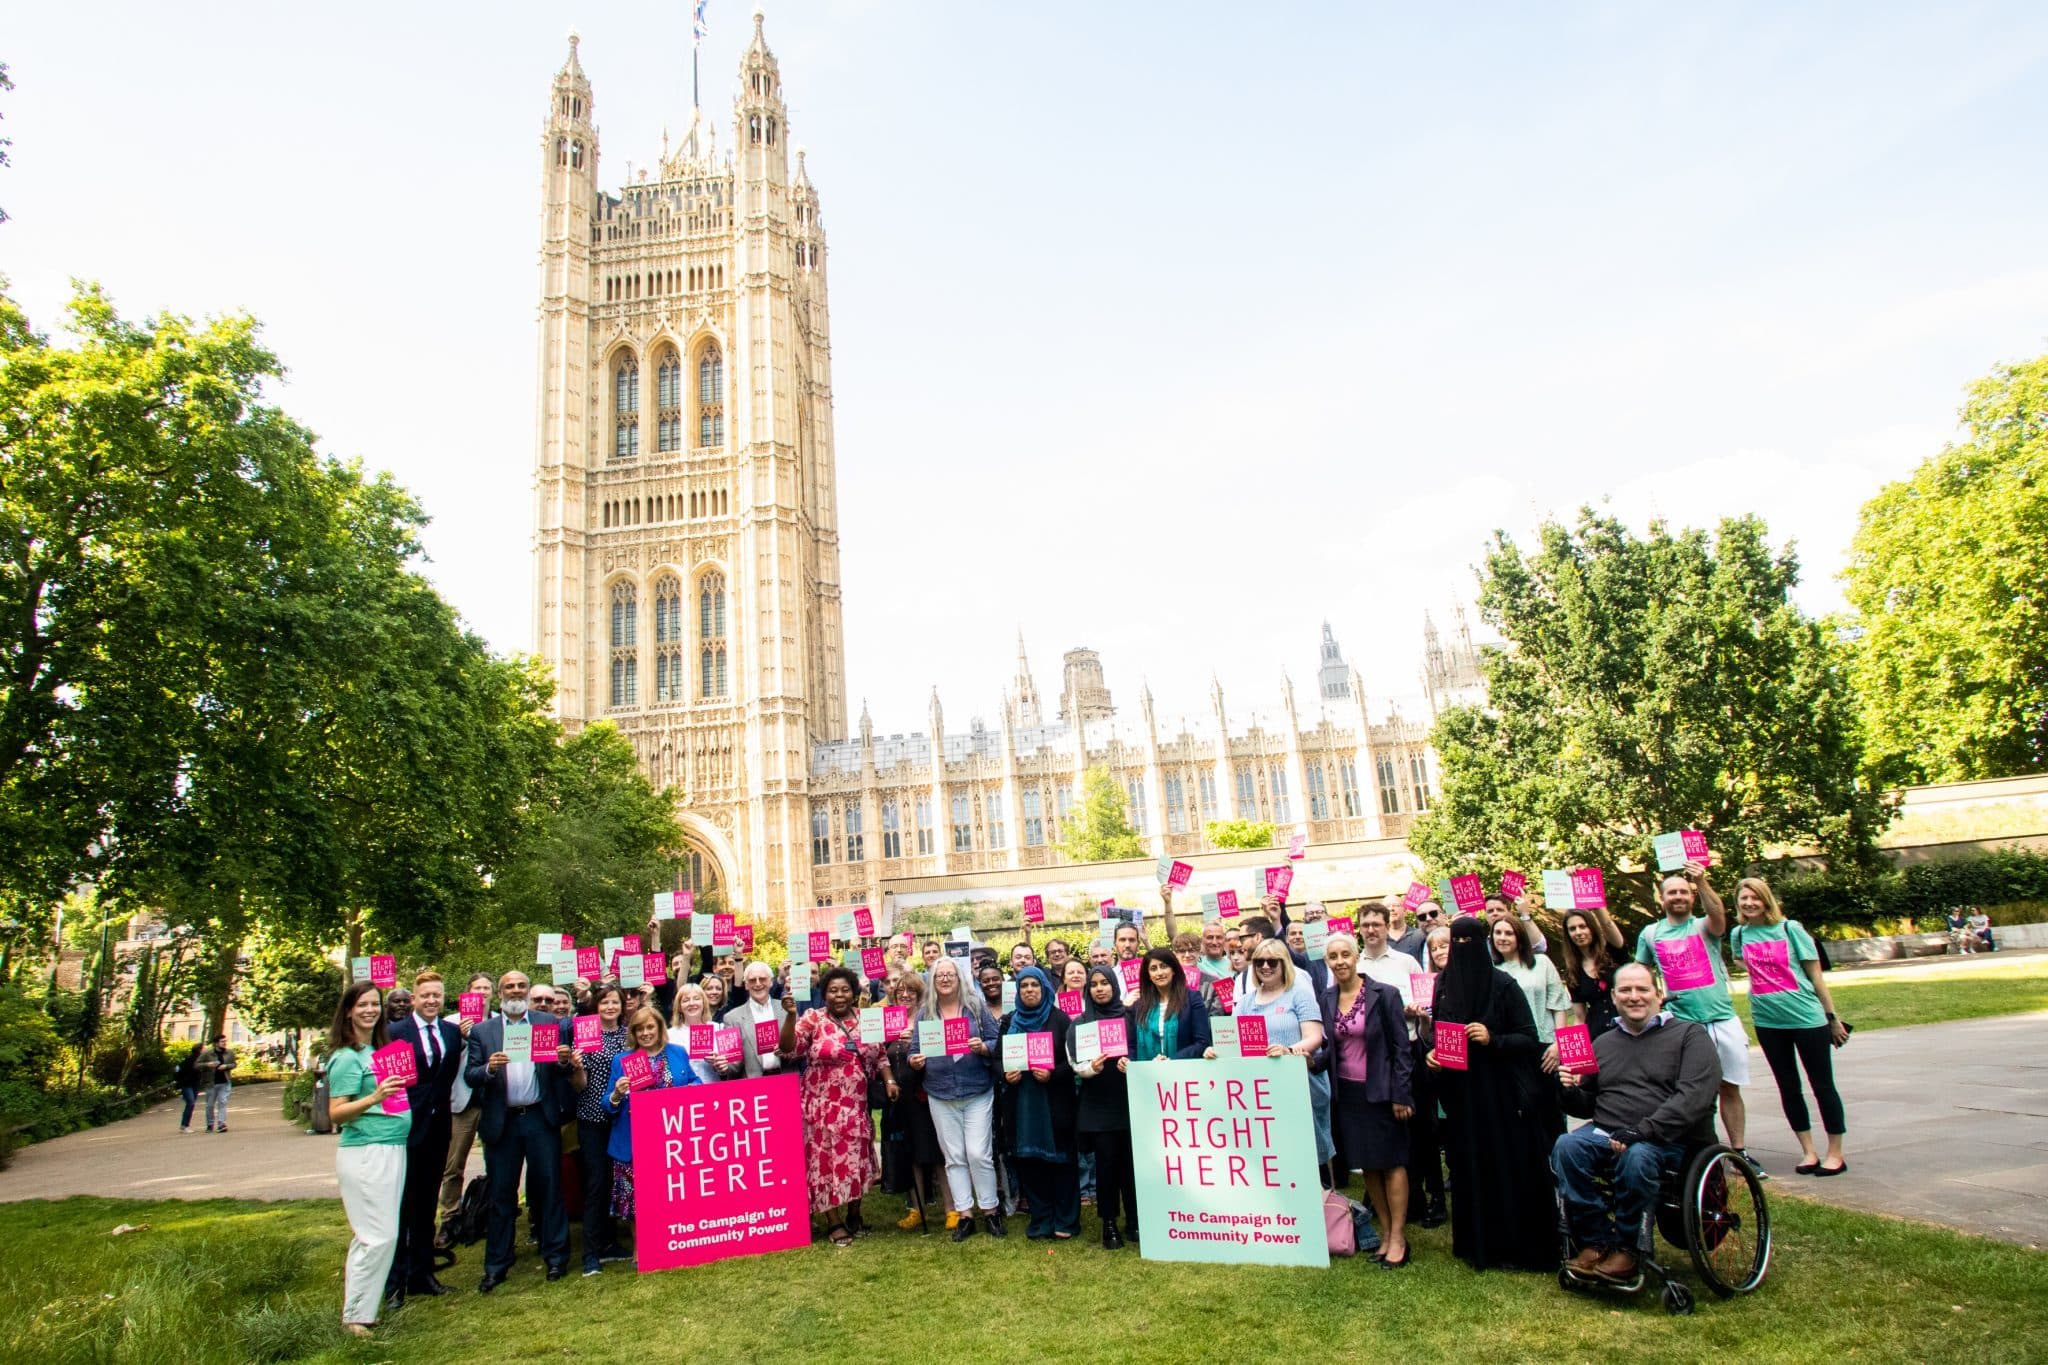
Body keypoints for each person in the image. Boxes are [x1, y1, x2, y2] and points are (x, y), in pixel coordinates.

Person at [1553, 963, 1721, 1281]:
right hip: (1608, 1132)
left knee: (1637, 1155)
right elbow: (1588, 1103)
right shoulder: (1603, 1043)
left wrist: (1641, 1131)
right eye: (1626, 991)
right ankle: (1596, 1241)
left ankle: (1629, 1248)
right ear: (1614, 998)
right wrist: (1569, 1090)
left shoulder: (1689, 1036)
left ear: (1658, 994)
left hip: (1667, 1140)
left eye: (1642, 989)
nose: (1634, 997)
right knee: (1566, 1146)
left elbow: (1693, 1098)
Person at [1427, 916, 1555, 1272]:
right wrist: (1433, 1054)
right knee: (1469, 1167)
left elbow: (1529, 1037)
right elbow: (1440, 1030)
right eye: (1458, 941)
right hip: (1461, 1095)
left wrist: (1492, 1038)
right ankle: (1476, 1244)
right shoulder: (1443, 985)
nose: (1463, 948)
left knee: (1507, 1166)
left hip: (1501, 1095)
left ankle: (1514, 1247)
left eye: (1471, 941)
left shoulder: (1503, 984)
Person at [1633, 862, 1752, 1164]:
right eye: (1672, 892)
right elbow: (1641, 972)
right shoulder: (1650, 934)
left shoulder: (1703, 926)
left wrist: (1702, 880)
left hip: (1721, 1019)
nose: (1678, 896)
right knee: (1690, 1092)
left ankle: (1739, 1152)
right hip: (1683, 1026)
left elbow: (1719, 917)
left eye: (1684, 892)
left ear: (1692, 895)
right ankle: (1700, 1151)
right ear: (1661, 899)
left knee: (1729, 1086)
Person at [1730, 878, 1850, 1176]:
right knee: (1788, 1087)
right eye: (1744, 899)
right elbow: (1738, 959)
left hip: (1806, 1018)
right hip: (1768, 1021)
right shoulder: (1739, 934)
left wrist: (1831, 1018)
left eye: (1755, 898)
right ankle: (1808, 1150)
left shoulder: (1790, 929)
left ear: (1766, 900)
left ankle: (1835, 1153)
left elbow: (1816, 976)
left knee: (1822, 1086)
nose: (1749, 903)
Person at [463, 970, 574, 1290]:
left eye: (521, 986)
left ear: (528, 992)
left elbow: (558, 1070)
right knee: (501, 1193)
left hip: (539, 1117)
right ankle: (497, 1263)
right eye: (509, 987)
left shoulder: (547, 1024)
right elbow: (470, 1075)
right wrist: (489, 1069)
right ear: (500, 993)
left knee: (550, 1188)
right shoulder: (483, 1032)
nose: (515, 991)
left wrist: (563, 1060)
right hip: (503, 1121)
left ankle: (556, 1257)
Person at [325, 982, 409, 1337]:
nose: (371, 1010)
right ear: (348, 1011)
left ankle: (364, 1310)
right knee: (376, 1236)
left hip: (392, 1146)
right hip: (367, 1151)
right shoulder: (346, 1057)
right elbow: (336, 1113)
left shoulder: (379, 1050)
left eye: (375, 1004)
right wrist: (375, 1096)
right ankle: (355, 1316)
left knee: (384, 1234)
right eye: (362, 1005)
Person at [1325, 932, 1414, 1267]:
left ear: (1356, 955)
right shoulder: (1327, 997)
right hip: (1348, 1094)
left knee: (1392, 1162)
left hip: (1383, 1092)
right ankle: (1387, 1231)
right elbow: (1329, 1050)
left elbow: (1401, 1050)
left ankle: (1399, 1237)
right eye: (1333, 956)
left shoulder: (1384, 994)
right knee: (1369, 1165)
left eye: (1345, 954)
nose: (1340, 961)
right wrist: (1305, 1059)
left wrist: (1401, 1094)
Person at [780, 965, 885, 1247]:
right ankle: (833, 1221)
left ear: (854, 992)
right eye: (832, 991)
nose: (839, 996)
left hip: (856, 1106)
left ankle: (855, 1214)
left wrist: (889, 1080)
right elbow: (789, 1047)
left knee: (856, 1161)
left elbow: (881, 1054)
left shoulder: (867, 1019)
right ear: (824, 994)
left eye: (844, 990)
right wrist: (791, 1017)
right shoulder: (812, 1018)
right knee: (825, 1166)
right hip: (821, 1108)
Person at [384, 970, 463, 1303]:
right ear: (414, 999)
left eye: (437, 995)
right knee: (400, 1205)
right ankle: (394, 1281)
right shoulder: (394, 1033)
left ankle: (422, 1272)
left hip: (438, 1128)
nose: (432, 1000)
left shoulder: (451, 1032)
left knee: (427, 1203)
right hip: (405, 1127)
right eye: (426, 995)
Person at [912, 956, 1004, 1240]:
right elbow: (914, 1048)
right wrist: (915, 1060)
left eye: (950, 974)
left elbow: (996, 1039)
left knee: (978, 1153)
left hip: (976, 1088)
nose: (945, 979)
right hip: (940, 1091)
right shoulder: (925, 1015)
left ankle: (990, 1210)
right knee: (954, 1157)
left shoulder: (975, 1007)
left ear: (959, 977)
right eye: (939, 975)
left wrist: (984, 1047)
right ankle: (965, 1214)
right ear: (933, 980)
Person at [1229, 941, 1333, 1173]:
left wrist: (1289, 1051)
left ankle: (1323, 1201)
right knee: (1273, 1152)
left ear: (1284, 963)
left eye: (1272, 961)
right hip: (1260, 1091)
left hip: (1300, 1083)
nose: (1265, 966)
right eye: (1259, 962)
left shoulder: (1299, 994)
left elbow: (1314, 1036)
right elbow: (1233, 1042)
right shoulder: (1246, 1001)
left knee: (1309, 1151)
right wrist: (1218, 1050)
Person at [601, 1005, 701, 1236]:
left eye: (650, 1027)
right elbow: (607, 1104)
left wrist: (685, 1091)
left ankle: (678, 1236)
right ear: (633, 1034)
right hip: (635, 1140)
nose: (645, 1033)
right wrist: (616, 1094)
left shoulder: (677, 1052)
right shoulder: (622, 1060)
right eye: (640, 1030)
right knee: (637, 1197)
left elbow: (696, 1083)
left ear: (659, 1028)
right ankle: (641, 1247)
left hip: (672, 1137)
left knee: (673, 1191)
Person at [999, 966, 1079, 1240]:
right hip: (1022, 1105)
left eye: (1035, 984)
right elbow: (997, 1060)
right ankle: (1041, 1218)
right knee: (1030, 1162)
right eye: (1024, 985)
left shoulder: (1060, 1020)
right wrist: (1004, 1074)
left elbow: (1073, 1063)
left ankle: (1066, 1220)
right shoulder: (1010, 1022)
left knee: (1061, 1163)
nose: (1029, 989)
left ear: (1044, 988)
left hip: (1053, 1103)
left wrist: (1053, 1073)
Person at [563, 983, 630, 1274]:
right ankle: (590, 1254)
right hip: (593, 1119)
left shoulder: (630, 1036)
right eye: (604, 1003)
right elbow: (579, 1087)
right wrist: (576, 1067)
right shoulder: (586, 1037)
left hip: (622, 1119)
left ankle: (610, 1242)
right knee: (595, 1184)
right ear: (596, 1006)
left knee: (616, 1182)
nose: (610, 1007)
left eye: (615, 1002)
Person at [1071, 964, 1137, 1248]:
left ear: (1114, 985)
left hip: (1129, 1100)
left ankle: (1135, 1220)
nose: (1099, 988)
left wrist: (1130, 1062)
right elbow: (1074, 1062)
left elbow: (1138, 1048)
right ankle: (1109, 1223)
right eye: (1094, 984)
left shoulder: (1129, 1017)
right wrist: (1090, 1068)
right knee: (1107, 1166)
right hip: (1098, 1104)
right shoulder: (1080, 1023)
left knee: (1131, 1166)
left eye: (1104, 983)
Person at [881, 972, 946, 1230]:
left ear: (920, 995)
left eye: (911, 992)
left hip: (926, 1093)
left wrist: (915, 1043)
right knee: (911, 1154)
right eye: (900, 992)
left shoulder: (930, 1017)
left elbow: (941, 1050)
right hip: (900, 1095)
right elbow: (878, 1054)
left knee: (937, 1151)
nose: (905, 996)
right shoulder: (888, 1021)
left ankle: (952, 1208)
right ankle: (916, 1209)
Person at [1490, 916, 1572, 1120]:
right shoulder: (1491, 971)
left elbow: (1558, 1005)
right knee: (1524, 1109)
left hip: (1545, 1047)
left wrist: (1558, 1044)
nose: (1502, 938)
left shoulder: (1541, 963)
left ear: (1519, 936)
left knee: (1551, 1108)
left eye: (1508, 933)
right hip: (1511, 1048)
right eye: (1498, 933)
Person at [436, 971, 495, 1247]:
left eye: (486, 988)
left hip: (494, 1099)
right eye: (477, 988)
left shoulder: (499, 1021)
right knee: (453, 1162)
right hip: (463, 1101)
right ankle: (449, 1217)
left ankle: (486, 1211)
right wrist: (459, 1038)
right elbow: (441, 1062)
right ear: (468, 992)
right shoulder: (451, 1024)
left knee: (495, 1160)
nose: (482, 993)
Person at [1407, 924, 1452, 1227]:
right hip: (1434, 1064)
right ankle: (1435, 1195)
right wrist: (1423, 1022)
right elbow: (1427, 1035)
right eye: (1434, 948)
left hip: (1466, 1068)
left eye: (1444, 945)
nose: (1440, 952)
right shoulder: (1429, 984)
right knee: (1432, 1130)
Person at [1131, 947, 1213, 1063]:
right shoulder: (1139, 1004)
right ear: (1148, 975)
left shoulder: (1192, 998)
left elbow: (1202, 1042)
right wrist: (1127, 1060)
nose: (1159, 973)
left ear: (1173, 970)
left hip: (1183, 1072)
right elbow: (1131, 1045)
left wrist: (1171, 1061)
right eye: (1153, 969)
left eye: (1164, 966)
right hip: (1147, 1074)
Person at [1560, 906, 1626, 1037]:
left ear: (1592, 928)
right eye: (1572, 929)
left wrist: (1597, 906)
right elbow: (1579, 1018)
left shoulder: (1613, 953)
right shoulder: (1573, 973)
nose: (1578, 932)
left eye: (1583, 926)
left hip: (1627, 1028)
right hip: (1598, 1037)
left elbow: (1608, 924)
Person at [667, 983, 735, 1083]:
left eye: (696, 998)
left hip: (714, 1091)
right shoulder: (669, 1035)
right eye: (686, 1000)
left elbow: (733, 1066)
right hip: (683, 1093)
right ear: (679, 1007)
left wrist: (722, 1066)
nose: (691, 1003)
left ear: (704, 1003)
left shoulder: (720, 1028)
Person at [730, 961, 785, 1078]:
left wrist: (788, 1050)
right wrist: (722, 1066)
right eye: (752, 980)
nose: (758, 983)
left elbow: (802, 1049)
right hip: (753, 1088)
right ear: (746, 985)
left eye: (762, 979)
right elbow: (733, 1065)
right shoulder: (732, 1018)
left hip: (786, 1080)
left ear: (771, 982)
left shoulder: (787, 1010)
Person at [195, 1033, 235, 1133]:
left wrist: (226, 1066)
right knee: (209, 1105)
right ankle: (210, 1124)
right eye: (222, 1041)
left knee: (223, 1102)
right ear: (216, 1043)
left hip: (224, 1082)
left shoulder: (229, 1053)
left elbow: (234, 1064)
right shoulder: (207, 1053)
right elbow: (196, 1065)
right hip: (211, 1083)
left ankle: (221, 1124)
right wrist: (208, 1064)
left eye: (225, 1041)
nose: (224, 1043)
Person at [175, 1046, 200, 1133]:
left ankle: (185, 1125)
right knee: (190, 1103)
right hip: (186, 1084)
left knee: (191, 1104)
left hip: (194, 1084)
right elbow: (178, 1069)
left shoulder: (200, 1060)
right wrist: (180, 1082)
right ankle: (184, 1125)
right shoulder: (190, 1060)